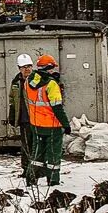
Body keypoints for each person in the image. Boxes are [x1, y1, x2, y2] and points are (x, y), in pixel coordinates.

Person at [26, 54, 71, 187]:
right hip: (52, 125)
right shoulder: (51, 84)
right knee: (53, 155)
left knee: (37, 154)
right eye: (52, 69)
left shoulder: (28, 81)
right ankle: (53, 181)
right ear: (49, 68)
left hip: (35, 124)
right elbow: (57, 108)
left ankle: (31, 179)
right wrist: (66, 124)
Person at [6, 53, 36, 176]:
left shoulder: (36, 80)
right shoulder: (16, 82)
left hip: (38, 119)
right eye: (24, 67)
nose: (27, 69)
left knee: (36, 145)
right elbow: (12, 99)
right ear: (19, 68)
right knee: (26, 145)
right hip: (24, 119)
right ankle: (26, 169)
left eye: (29, 66)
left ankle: (36, 169)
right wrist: (12, 114)